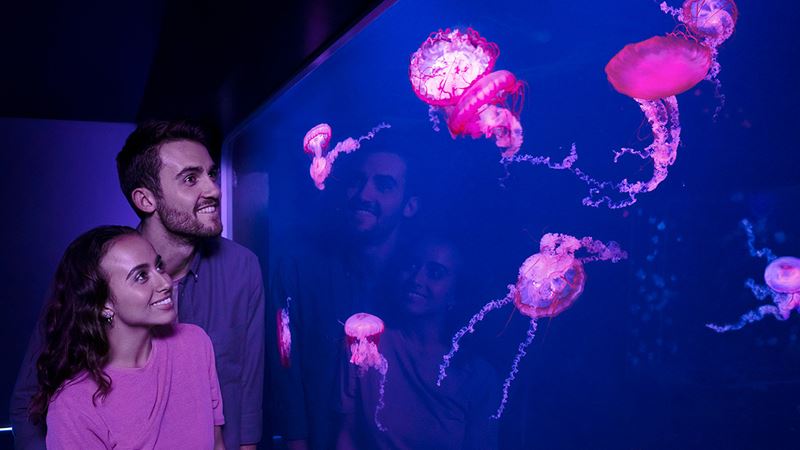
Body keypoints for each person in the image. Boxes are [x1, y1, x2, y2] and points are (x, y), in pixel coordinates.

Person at [10, 120, 265, 450]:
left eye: (211, 174)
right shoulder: (93, 272)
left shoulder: (242, 268)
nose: (214, 190)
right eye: (191, 178)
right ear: (146, 200)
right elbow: (30, 403)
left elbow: (247, 404)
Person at [272, 146, 420, 449]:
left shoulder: (416, 281)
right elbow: (285, 360)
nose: (364, 195)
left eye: (384, 185)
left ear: (410, 205)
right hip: (321, 436)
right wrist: (295, 439)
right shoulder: (299, 266)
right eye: (357, 181)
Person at [29, 226, 225, 449]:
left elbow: (217, 444)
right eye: (141, 276)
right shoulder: (72, 407)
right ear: (104, 304)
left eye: (159, 266)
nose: (165, 282)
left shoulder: (194, 345)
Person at [336, 235, 499, 450]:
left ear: (456, 293)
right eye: (412, 265)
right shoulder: (365, 342)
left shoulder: (476, 375)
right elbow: (347, 435)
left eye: (435, 273)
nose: (417, 279)